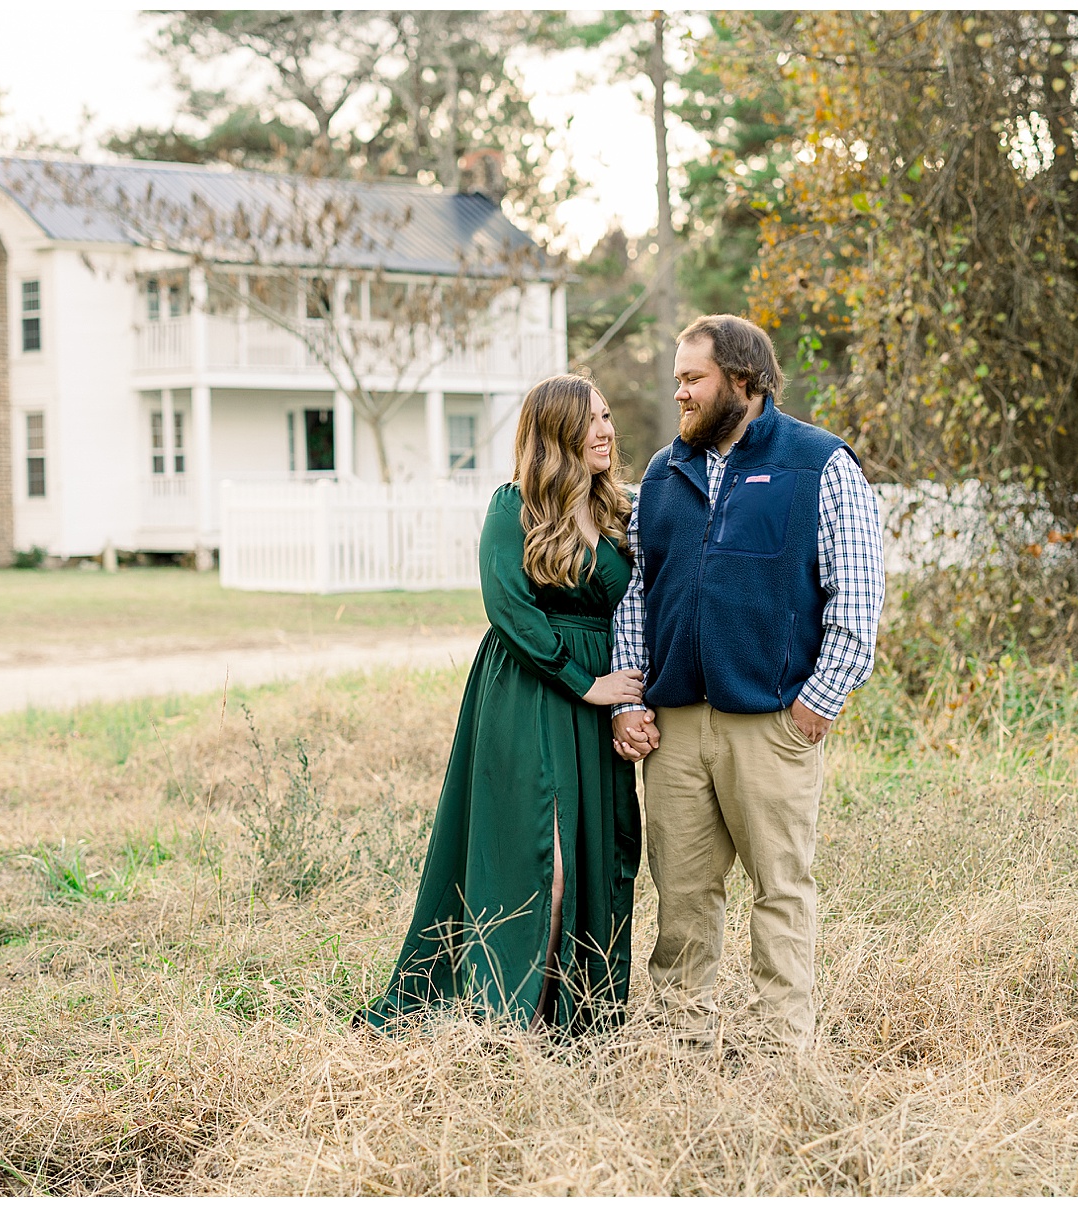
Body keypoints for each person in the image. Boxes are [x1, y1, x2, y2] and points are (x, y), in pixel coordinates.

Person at [610, 314, 885, 1055]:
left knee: (781, 892)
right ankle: (678, 1046)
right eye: (676, 382)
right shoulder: (664, 476)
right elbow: (639, 595)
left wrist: (812, 708)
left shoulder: (820, 463)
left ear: (743, 381)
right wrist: (633, 702)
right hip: (674, 727)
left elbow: (857, 601)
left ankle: (777, 1054)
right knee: (683, 898)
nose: (680, 395)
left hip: (771, 724)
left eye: (692, 380)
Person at [360, 373, 646, 1036]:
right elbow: (508, 609)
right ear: (555, 433)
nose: (606, 430)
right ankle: (502, 1017)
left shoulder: (619, 511)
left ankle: (565, 1016)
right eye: (591, 419)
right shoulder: (513, 506)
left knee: (590, 856)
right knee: (536, 858)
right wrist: (585, 680)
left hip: (597, 708)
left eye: (608, 416)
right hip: (531, 692)